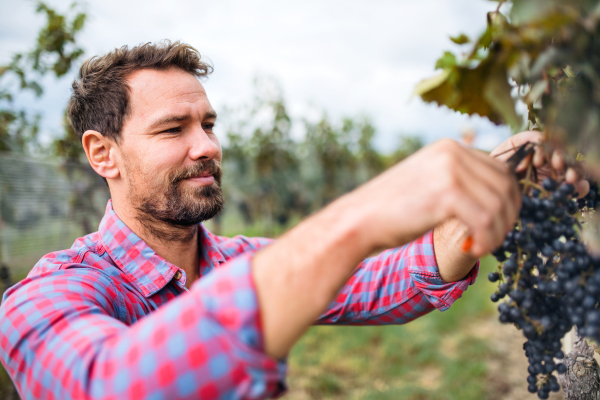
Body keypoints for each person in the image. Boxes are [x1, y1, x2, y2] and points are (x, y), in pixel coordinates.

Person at [0, 41, 588, 400]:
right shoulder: (43, 297)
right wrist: (358, 217)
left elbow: (388, 283)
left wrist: (477, 207)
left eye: (208, 124)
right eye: (173, 129)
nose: (206, 145)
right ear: (103, 154)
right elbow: (104, 388)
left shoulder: (238, 263)